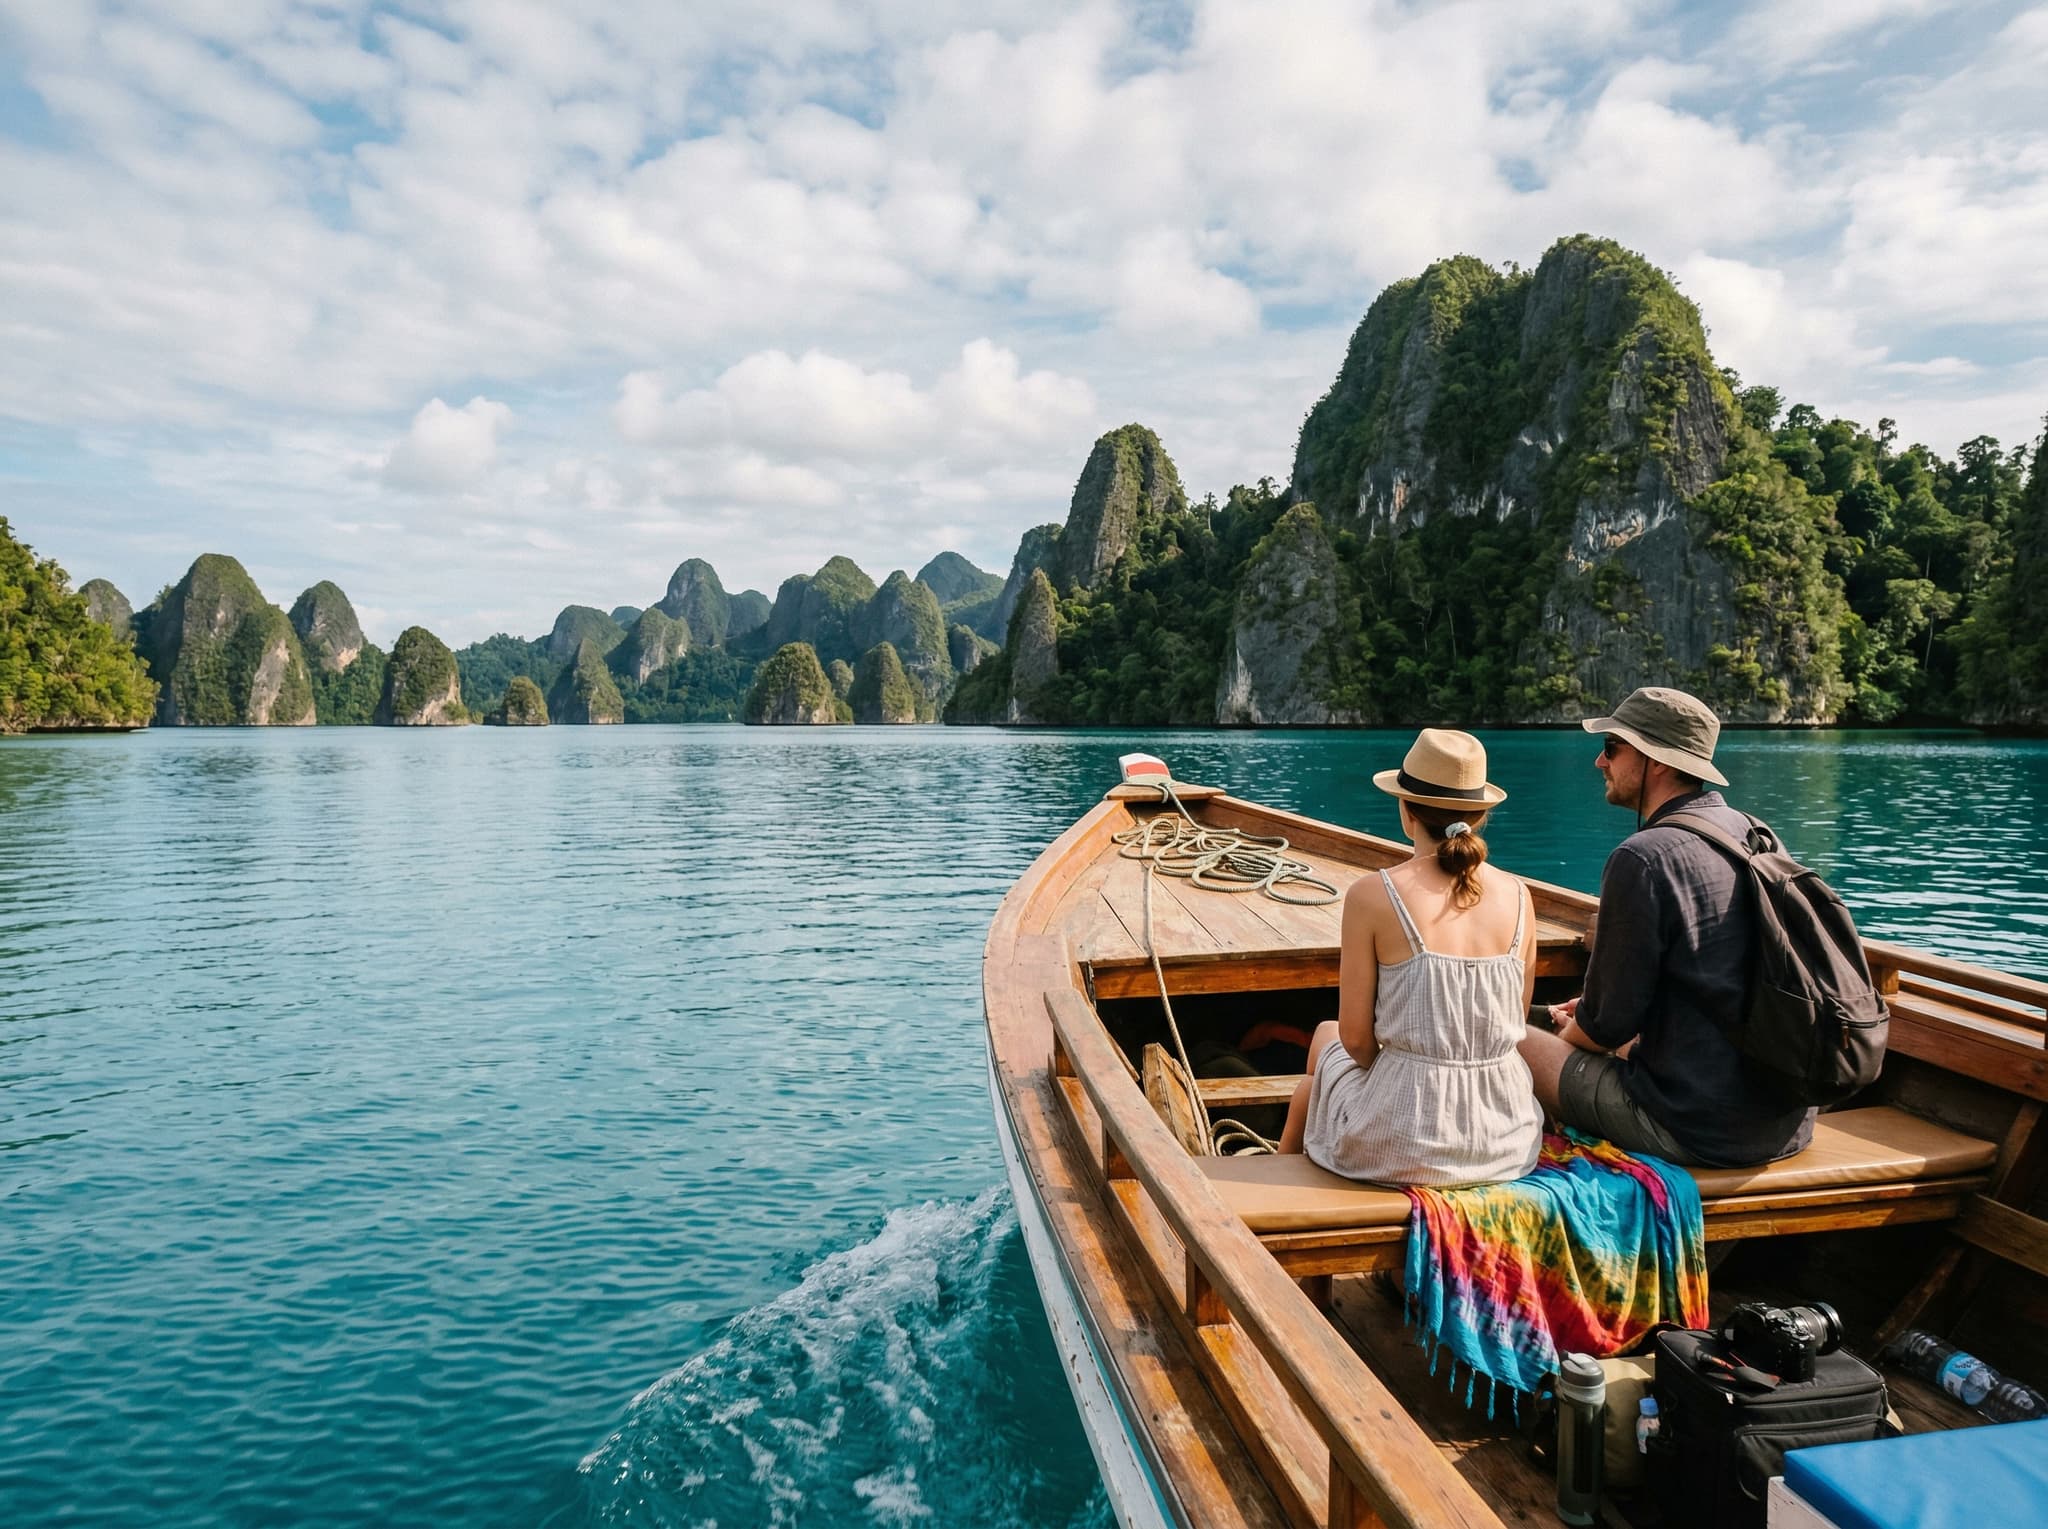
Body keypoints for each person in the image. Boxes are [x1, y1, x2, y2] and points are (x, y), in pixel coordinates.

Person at [1516, 686, 1816, 1167]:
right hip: (1787, 1121)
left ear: (1656, 761)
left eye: (1612, 748)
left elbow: (1601, 1028)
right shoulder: (1754, 833)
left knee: (1506, 1037)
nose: (1600, 762)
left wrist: (1572, 1032)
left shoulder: (1642, 858)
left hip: (1695, 1127)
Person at [1278, 729, 1543, 1187]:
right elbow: (1512, 1023)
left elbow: (1358, 1041)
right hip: (1506, 1139)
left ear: (1406, 810)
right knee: (1324, 1055)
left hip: (1407, 1143)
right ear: (1479, 814)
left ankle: (1275, 1188)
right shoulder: (1520, 896)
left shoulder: (1372, 895)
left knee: (1320, 1059)